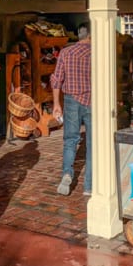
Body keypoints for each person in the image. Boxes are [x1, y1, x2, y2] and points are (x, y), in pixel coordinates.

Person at [51, 22, 92, 197]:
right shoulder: (97, 53)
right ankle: (89, 186)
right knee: (92, 144)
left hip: (71, 99)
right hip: (93, 99)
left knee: (70, 140)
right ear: (91, 34)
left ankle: (67, 173)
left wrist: (56, 104)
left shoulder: (66, 52)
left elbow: (57, 79)